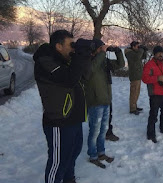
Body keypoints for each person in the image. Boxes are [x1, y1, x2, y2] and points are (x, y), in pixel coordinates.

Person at [33, 30, 91, 183]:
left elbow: (85, 75)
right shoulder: (45, 61)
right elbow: (69, 79)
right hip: (59, 120)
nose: (73, 48)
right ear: (58, 46)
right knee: (58, 161)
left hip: (74, 118)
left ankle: (69, 179)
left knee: (72, 153)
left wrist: (84, 55)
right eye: (71, 45)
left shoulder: (65, 60)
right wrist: (78, 56)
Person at [83, 39, 125, 168]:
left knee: (103, 130)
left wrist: (118, 51)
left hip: (106, 100)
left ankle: (101, 153)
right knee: (94, 131)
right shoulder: (87, 61)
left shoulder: (103, 61)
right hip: (95, 101)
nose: (104, 49)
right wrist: (102, 53)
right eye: (101, 47)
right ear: (95, 49)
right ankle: (93, 155)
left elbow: (120, 64)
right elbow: (91, 70)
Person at [142, 46, 163, 143]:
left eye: (162, 53)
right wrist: (157, 78)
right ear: (154, 54)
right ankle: (151, 134)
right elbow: (144, 78)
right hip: (154, 93)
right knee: (153, 115)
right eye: (158, 53)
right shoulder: (149, 65)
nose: (161, 55)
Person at [124, 41, 147, 115]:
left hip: (138, 75)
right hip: (134, 75)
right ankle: (132, 108)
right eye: (137, 46)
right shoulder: (129, 53)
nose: (138, 48)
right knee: (133, 92)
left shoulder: (136, 52)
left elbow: (143, 57)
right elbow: (137, 57)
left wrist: (144, 50)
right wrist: (141, 50)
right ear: (133, 46)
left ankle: (135, 105)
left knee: (137, 92)